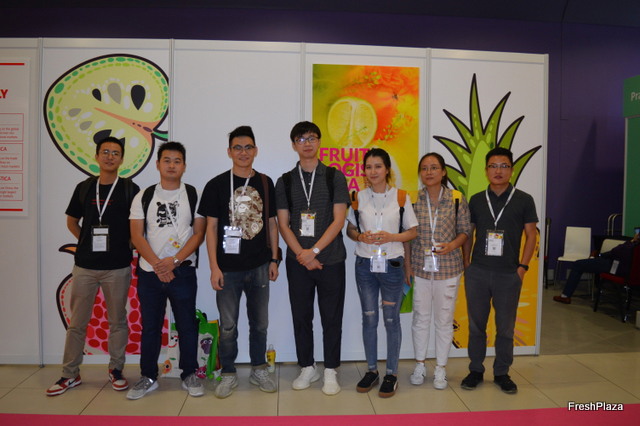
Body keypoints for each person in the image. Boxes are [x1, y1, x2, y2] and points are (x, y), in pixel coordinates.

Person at [47, 136, 139, 396]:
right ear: (97, 156)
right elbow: (72, 221)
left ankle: (116, 370)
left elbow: (138, 226)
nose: (110, 156)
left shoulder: (130, 189)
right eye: (105, 152)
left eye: (115, 153)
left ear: (122, 159)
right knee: (77, 323)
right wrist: (86, 242)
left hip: (117, 267)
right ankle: (70, 374)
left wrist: (125, 246)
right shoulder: (85, 187)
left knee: (117, 321)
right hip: (85, 266)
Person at [198, 126, 280, 399]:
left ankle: (258, 368)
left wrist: (274, 259)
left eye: (248, 147)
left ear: (255, 151)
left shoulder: (266, 183)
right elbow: (210, 228)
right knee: (228, 326)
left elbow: (272, 224)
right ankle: (229, 372)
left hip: (260, 265)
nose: (243, 152)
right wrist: (214, 267)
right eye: (237, 148)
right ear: (229, 151)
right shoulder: (216, 185)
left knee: (260, 324)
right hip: (227, 268)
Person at [275, 121, 349, 395]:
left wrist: (314, 252)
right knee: (301, 316)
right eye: (301, 139)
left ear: (319, 142)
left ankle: (330, 370)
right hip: (298, 263)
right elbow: (283, 224)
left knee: (331, 317)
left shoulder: (334, 177)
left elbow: (339, 220)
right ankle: (307, 366)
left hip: (331, 260)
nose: (307, 143)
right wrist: (302, 255)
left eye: (311, 138)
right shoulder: (284, 181)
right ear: (294, 145)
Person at [127, 141, 205, 400]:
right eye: (167, 160)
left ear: (184, 165)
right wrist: (158, 265)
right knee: (150, 326)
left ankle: (189, 374)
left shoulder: (193, 194)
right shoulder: (144, 196)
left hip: (182, 271)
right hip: (150, 272)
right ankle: (148, 376)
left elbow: (199, 233)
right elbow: (137, 236)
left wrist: (174, 261)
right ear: (158, 164)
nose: (172, 165)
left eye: (177, 161)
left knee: (187, 325)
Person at [461, 147, 538, 394]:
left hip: (508, 274)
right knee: (476, 326)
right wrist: (467, 264)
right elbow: (468, 233)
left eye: (504, 166)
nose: (498, 171)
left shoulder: (524, 199)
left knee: (505, 328)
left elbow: (531, 235)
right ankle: (475, 370)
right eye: (493, 166)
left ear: (511, 170)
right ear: (486, 170)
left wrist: (522, 268)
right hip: (478, 272)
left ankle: (502, 372)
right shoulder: (476, 199)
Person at [345, 148, 418, 398]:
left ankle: (392, 374)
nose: (373, 171)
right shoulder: (358, 197)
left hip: (392, 266)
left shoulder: (401, 197)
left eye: (378, 166)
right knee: (369, 318)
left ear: (387, 169)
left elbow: (412, 232)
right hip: (365, 266)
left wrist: (391, 237)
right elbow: (350, 230)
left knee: (390, 320)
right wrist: (359, 236)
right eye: (368, 167)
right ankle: (372, 370)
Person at [406, 153, 470, 390]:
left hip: (449, 268)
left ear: (443, 172)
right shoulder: (413, 199)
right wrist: (407, 266)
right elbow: (407, 235)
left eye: (434, 168)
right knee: (420, 318)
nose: (429, 172)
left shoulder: (457, 198)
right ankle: (420, 365)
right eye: (424, 168)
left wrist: (452, 245)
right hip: (420, 268)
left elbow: (465, 231)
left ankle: (441, 368)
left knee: (444, 320)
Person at [553, 234, 640, 304]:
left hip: (615, 267)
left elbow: (616, 252)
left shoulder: (633, 246)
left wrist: (632, 240)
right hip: (625, 270)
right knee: (592, 260)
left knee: (578, 264)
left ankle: (565, 296)